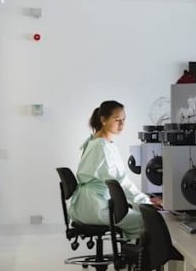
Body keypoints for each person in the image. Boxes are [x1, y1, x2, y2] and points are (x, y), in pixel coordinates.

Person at [68, 100, 161, 241]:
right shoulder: (102, 147)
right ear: (103, 120)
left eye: (124, 119)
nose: (122, 124)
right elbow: (121, 183)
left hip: (88, 203)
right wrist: (146, 202)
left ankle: (133, 257)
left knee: (136, 213)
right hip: (94, 207)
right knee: (146, 221)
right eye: (117, 120)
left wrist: (143, 201)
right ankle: (140, 259)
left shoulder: (97, 141)